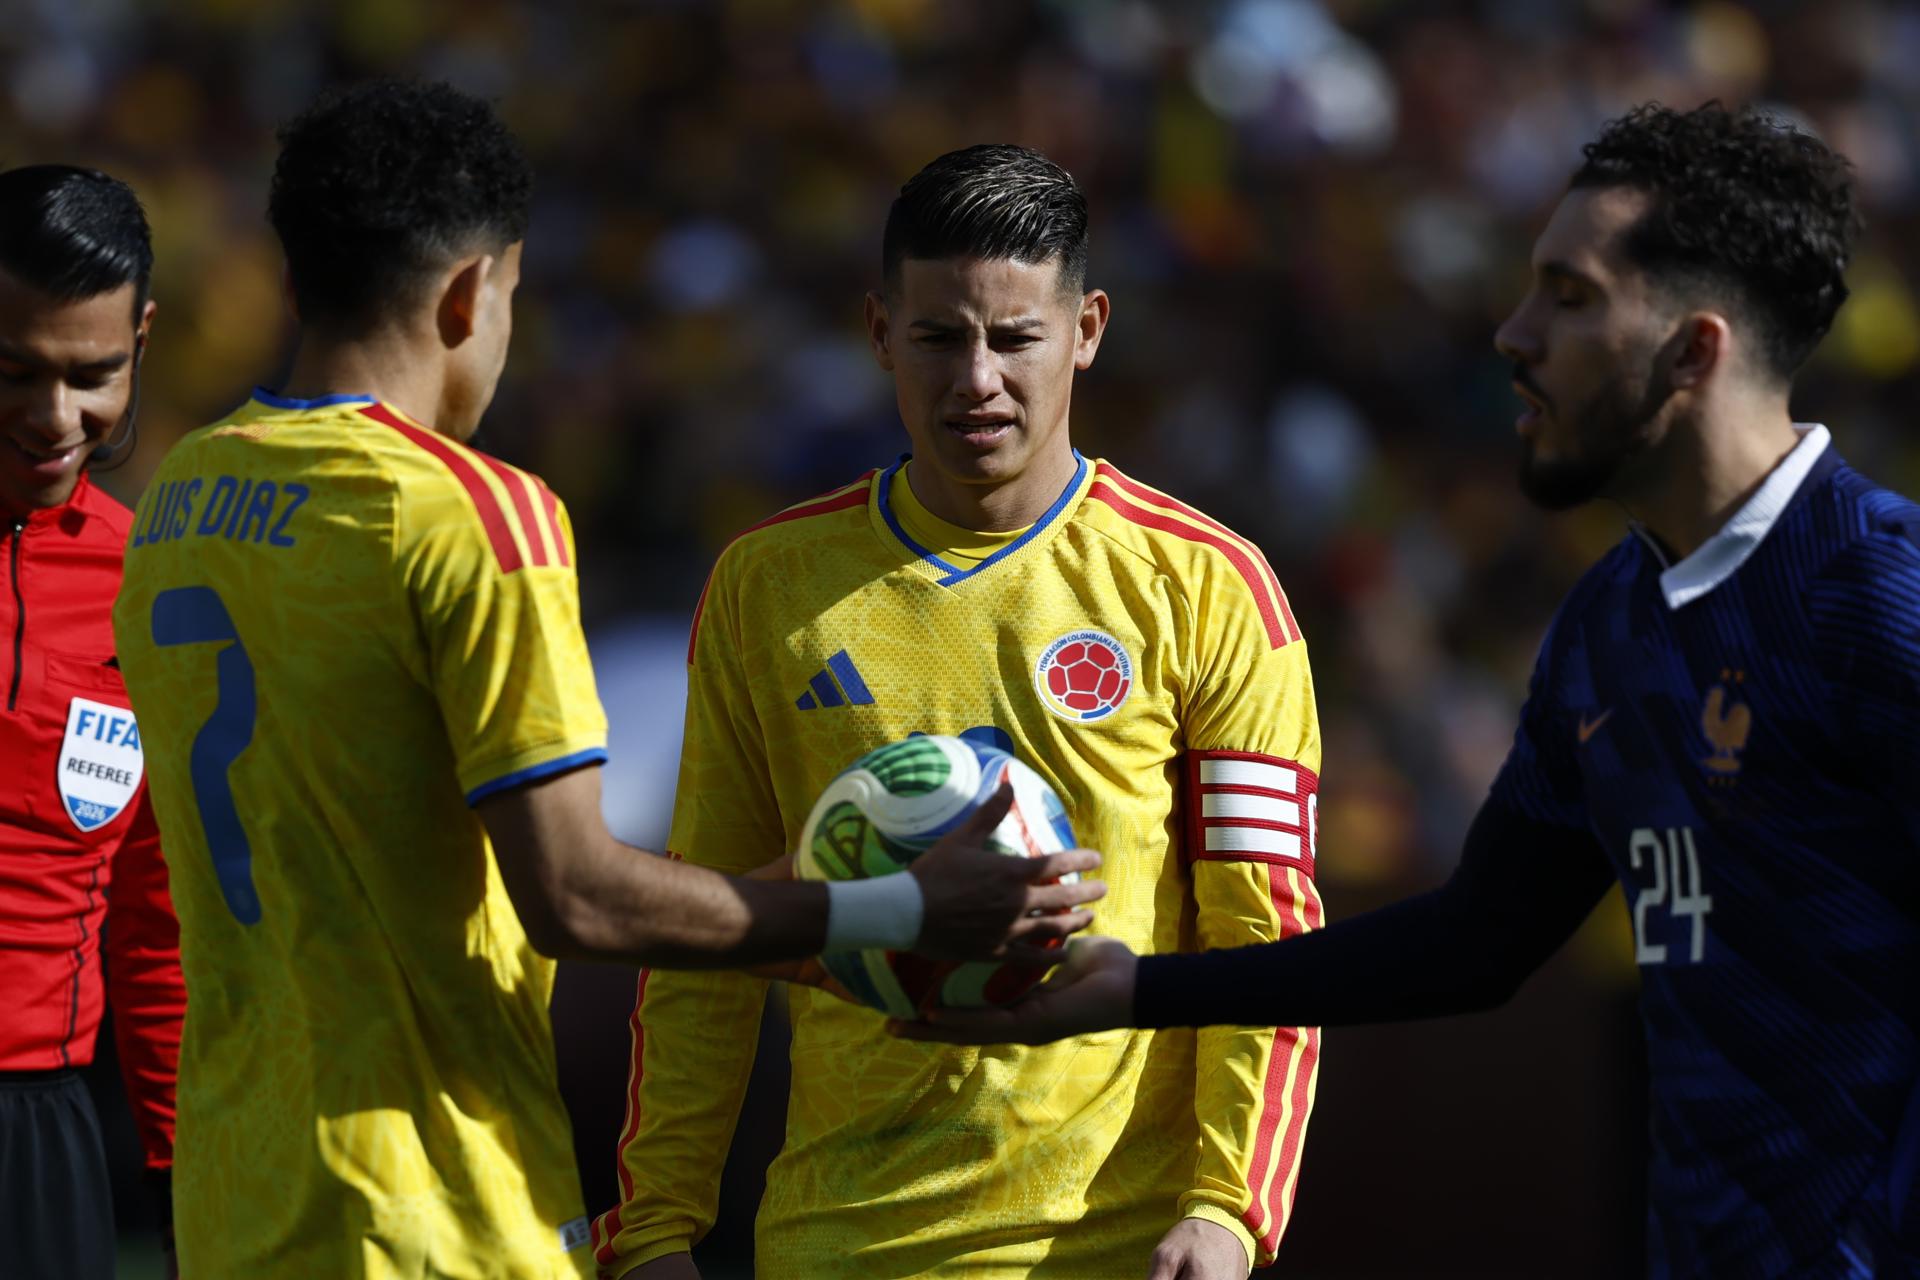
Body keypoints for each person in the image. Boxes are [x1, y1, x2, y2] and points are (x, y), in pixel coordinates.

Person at [899, 103, 1920, 1277]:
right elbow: (1476, 940)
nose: (1512, 332)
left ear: (1693, 350)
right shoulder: (1611, 622)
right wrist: (1141, 987)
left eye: (1569, 296)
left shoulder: (1878, 596)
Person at [111, 82, 1102, 1280]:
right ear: (474, 291)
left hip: (237, 1196)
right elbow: (574, 895)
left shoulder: (179, 497)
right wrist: (894, 908)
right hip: (427, 1200)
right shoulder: (472, 512)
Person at [593, 145, 1323, 1280]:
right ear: (881, 332)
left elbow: (1266, 930)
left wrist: (1230, 1209)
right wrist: (653, 1224)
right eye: (939, 336)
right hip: (838, 1243)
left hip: (1114, 1248)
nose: (976, 378)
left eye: (1015, 337)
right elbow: (710, 931)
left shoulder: (1208, 587)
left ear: (1086, 330)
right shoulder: (768, 584)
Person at [0, 164, 185, 1280]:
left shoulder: (149, 585)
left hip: (42, 1141)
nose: (52, 419)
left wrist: (179, 1171)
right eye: (12, 372)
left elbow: (156, 917)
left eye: (91, 376)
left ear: (143, 342)